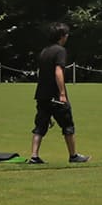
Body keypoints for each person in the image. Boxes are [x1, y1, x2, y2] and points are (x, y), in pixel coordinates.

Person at [28, 22, 90, 164]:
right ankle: (73, 156)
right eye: (66, 34)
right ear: (62, 36)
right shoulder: (60, 51)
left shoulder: (44, 51)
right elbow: (58, 71)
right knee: (68, 125)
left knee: (40, 126)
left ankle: (34, 156)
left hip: (41, 95)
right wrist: (62, 93)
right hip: (55, 96)